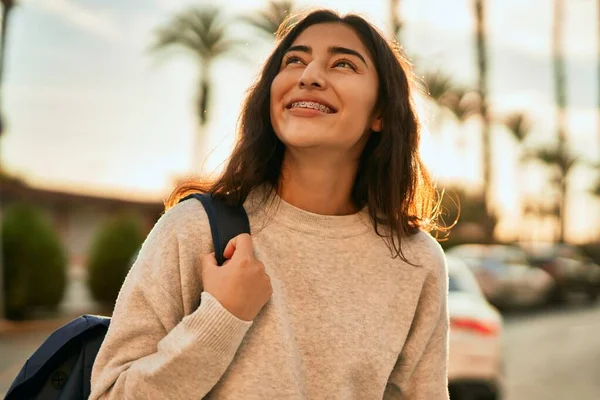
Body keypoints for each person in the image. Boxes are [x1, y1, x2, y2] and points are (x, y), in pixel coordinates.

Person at [90, 8, 449, 400]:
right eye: (294, 60)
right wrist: (221, 319)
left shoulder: (416, 262)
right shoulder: (193, 230)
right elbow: (110, 394)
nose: (309, 75)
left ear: (380, 112)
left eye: (343, 63)